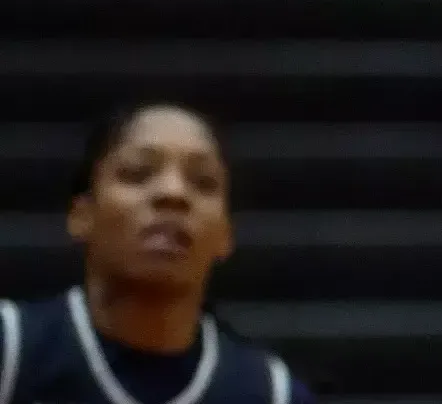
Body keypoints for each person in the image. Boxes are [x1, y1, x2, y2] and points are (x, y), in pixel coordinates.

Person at [0, 104, 312, 404]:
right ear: (81, 215)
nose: (173, 193)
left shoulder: (272, 394)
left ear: (225, 235)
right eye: (138, 173)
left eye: (203, 182)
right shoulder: (12, 350)